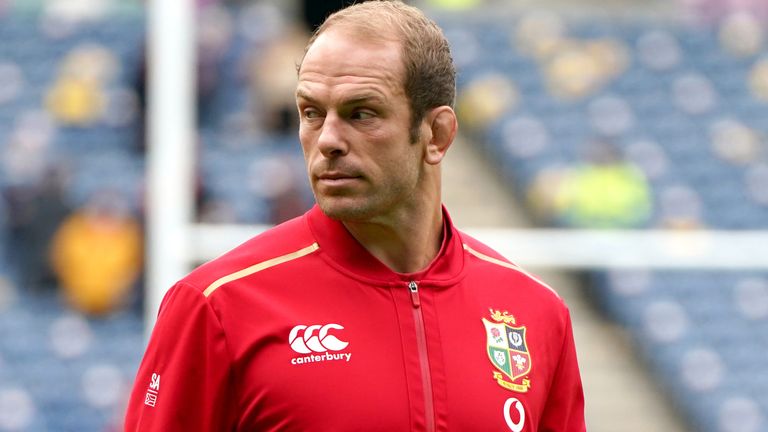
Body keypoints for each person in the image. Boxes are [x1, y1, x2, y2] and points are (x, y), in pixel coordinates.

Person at [124, 2, 585, 430]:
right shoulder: (216, 306)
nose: (327, 139)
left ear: (437, 134)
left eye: (361, 113)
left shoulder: (536, 314)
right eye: (311, 112)